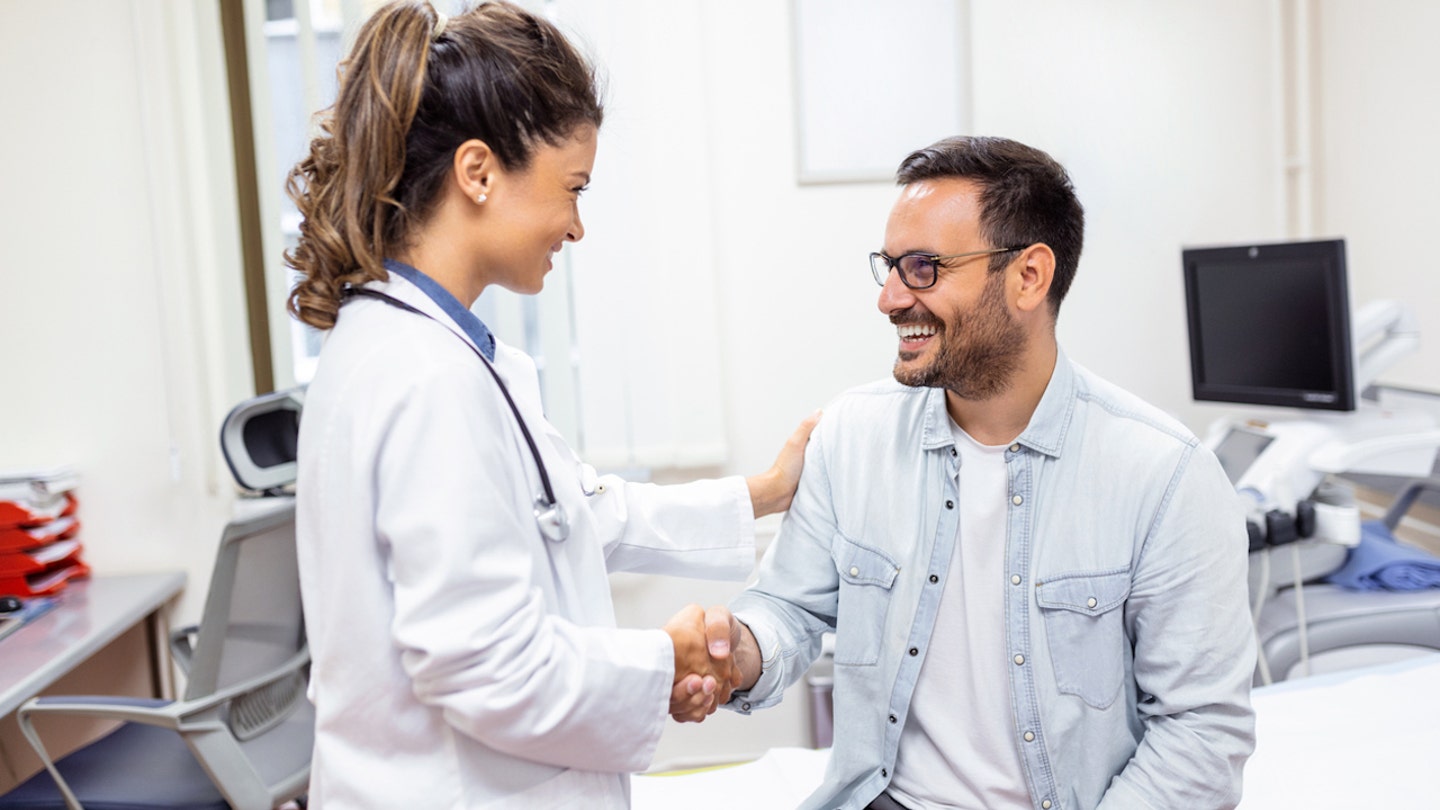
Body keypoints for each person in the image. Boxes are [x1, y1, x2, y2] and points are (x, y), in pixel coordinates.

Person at [285, 2, 815, 806]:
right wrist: (662, 659)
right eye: (571, 188)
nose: (576, 226)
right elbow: (483, 666)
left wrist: (768, 492)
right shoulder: (426, 378)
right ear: (478, 172)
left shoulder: (422, 349)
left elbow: (573, 512)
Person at [708, 136, 1257, 809]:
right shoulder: (850, 436)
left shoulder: (1166, 477)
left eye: (922, 268)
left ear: (1028, 276)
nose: (889, 299)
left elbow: (1201, 735)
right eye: (889, 266)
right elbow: (790, 609)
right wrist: (740, 652)